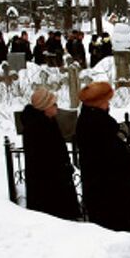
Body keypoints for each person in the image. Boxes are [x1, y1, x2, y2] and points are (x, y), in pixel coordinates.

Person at [75, 82, 130, 232]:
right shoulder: (96, 121)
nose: (108, 104)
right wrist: (121, 137)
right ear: (98, 103)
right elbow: (108, 148)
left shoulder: (93, 117)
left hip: (104, 177)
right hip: (106, 179)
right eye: (106, 101)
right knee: (112, 216)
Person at [21, 88, 81, 221]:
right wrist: (62, 168)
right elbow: (45, 159)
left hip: (56, 178)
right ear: (44, 107)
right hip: (48, 183)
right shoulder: (37, 127)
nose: (57, 107)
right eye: (53, 104)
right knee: (54, 218)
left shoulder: (48, 121)